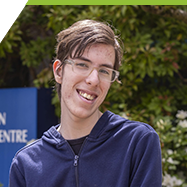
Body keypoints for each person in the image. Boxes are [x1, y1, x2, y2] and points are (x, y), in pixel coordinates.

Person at [9, 19, 162, 187]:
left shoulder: (137, 142)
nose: (93, 80)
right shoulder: (26, 164)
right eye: (82, 64)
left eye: (104, 71)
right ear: (59, 71)